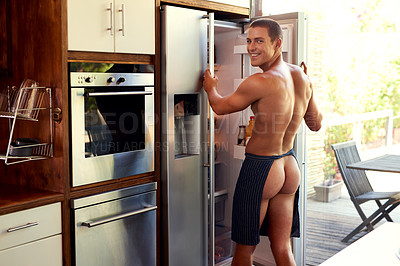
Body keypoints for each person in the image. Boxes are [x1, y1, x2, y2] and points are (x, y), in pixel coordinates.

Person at [203, 18, 323, 266]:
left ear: (277, 43)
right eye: (248, 40)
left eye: (259, 41)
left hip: (262, 168)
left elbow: (220, 107)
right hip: (289, 166)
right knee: (283, 247)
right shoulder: (301, 76)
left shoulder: (260, 81)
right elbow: (315, 123)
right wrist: (309, 86)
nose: (251, 47)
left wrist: (210, 88)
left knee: (244, 252)